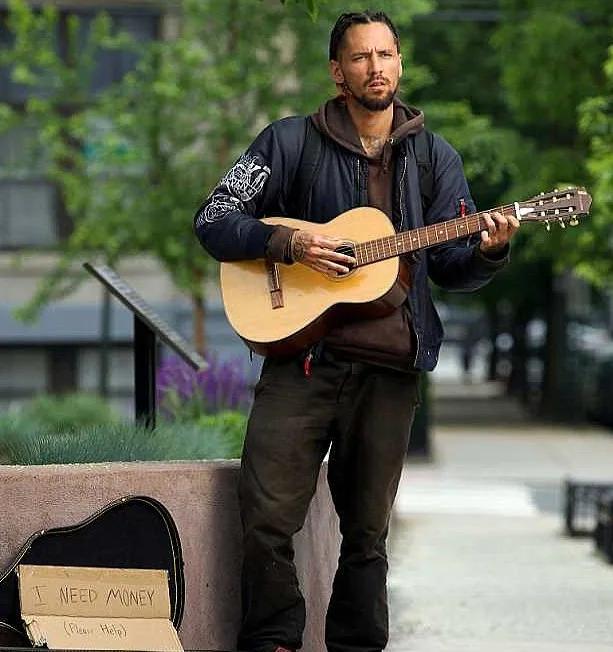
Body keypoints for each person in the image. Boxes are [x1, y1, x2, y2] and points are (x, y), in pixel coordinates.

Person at [194, 10, 519, 652]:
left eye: (387, 54)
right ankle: (273, 640)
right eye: (362, 57)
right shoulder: (287, 142)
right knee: (264, 519)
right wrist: (288, 242)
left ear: (400, 63)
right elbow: (214, 217)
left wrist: (488, 251)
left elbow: (452, 267)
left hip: (390, 370)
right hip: (303, 363)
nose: (377, 67)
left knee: (367, 535)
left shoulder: (433, 155)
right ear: (337, 72)